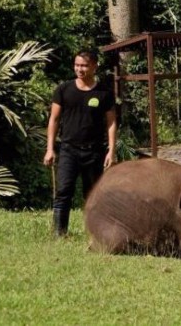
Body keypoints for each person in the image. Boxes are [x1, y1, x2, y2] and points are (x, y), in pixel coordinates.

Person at [43, 49, 117, 237]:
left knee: (92, 195)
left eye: (84, 65)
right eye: (77, 65)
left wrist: (111, 151)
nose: (80, 69)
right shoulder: (64, 90)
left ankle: (95, 233)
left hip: (94, 152)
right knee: (63, 191)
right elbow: (54, 119)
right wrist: (50, 149)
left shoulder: (104, 93)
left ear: (94, 66)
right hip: (69, 150)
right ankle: (59, 233)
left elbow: (111, 123)